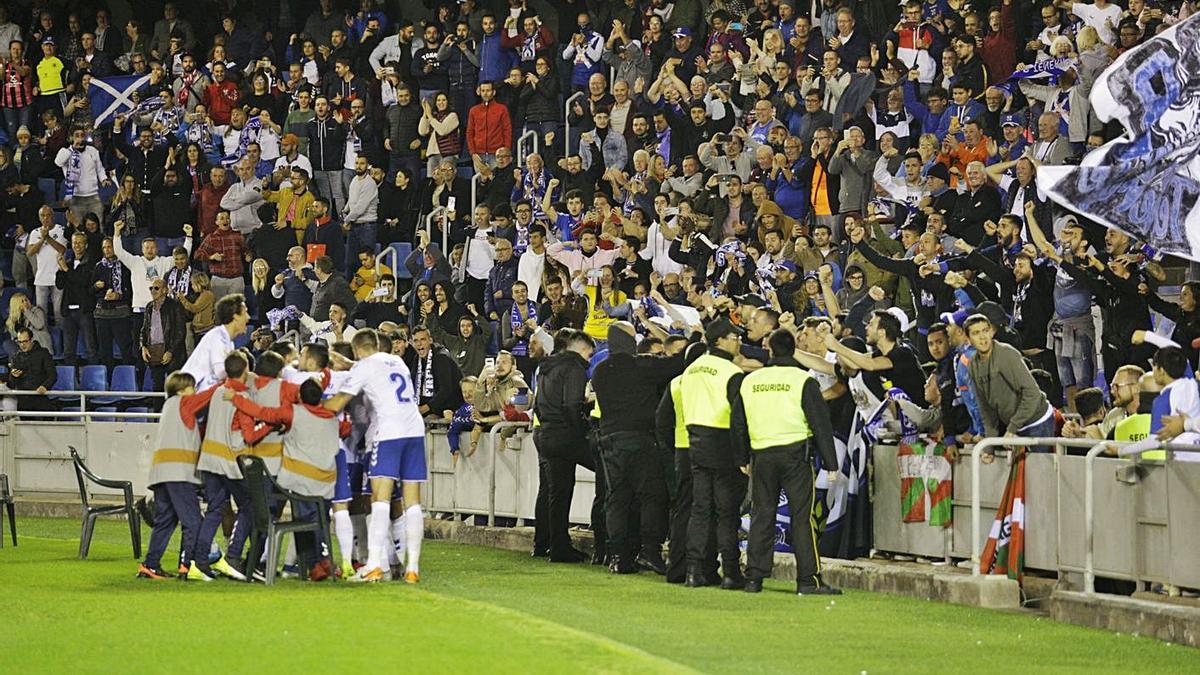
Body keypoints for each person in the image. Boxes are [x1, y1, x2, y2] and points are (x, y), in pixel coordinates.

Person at [732, 328, 842, 595]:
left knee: (761, 516)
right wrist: (831, 463)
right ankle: (808, 580)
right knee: (802, 519)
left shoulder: (751, 381)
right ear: (794, 350)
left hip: (761, 456)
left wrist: (741, 457)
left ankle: (754, 579)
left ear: (769, 349)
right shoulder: (802, 380)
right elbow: (820, 423)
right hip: (795, 456)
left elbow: (738, 422)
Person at [324, 329, 428, 584]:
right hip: (414, 430)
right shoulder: (396, 360)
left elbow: (338, 403)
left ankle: (374, 565)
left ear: (358, 349)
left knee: (379, 499)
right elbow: (370, 370)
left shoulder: (364, 367)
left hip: (388, 433)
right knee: (412, 502)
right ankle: (412, 567)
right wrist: (349, 364)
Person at [591, 322, 684, 574]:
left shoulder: (600, 371)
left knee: (617, 499)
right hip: (640, 440)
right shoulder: (641, 366)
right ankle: (649, 551)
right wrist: (694, 334)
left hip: (609, 441)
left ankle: (618, 556)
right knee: (652, 495)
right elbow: (678, 363)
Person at [676, 318, 746, 588]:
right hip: (723, 441)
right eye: (733, 337)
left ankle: (694, 570)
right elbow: (738, 419)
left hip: (695, 441)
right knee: (726, 512)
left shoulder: (691, 369)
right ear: (719, 340)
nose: (738, 341)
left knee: (700, 510)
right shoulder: (730, 372)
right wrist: (742, 457)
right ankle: (730, 572)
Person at [137, 371, 215, 581]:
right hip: (179, 472)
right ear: (181, 390)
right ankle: (186, 566)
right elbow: (208, 396)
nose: (194, 391)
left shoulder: (168, 406)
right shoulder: (184, 402)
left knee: (165, 520)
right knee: (193, 521)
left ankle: (149, 565)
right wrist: (228, 382)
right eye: (191, 387)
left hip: (161, 472)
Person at [532, 329, 597, 563]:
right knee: (609, 469)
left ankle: (553, 544)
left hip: (546, 433)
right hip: (564, 435)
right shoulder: (574, 367)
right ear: (581, 350)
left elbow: (537, 405)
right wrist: (583, 431)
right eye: (589, 356)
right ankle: (607, 541)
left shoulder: (545, 368)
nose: (589, 361)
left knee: (556, 493)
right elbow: (571, 405)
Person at [964, 314, 1055, 459]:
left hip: (1037, 421)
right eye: (976, 333)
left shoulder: (1006, 354)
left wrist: (1012, 427)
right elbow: (986, 410)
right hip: (1016, 427)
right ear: (968, 339)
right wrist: (989, 447)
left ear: (992, 331)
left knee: (1040, 477)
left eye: (985, 330)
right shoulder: (972, 366)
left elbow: (1032, 393)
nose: (982, 337)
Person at [181, 294, 250, 390]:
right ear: (235, 317)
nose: (248, 317)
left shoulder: (228, 341)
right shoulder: (217, 338)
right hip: (189, 398)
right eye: (245, 313)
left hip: (200, 396)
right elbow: (221, 373)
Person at [140, 280, 189, 395]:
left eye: (156, 288)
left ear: (165, 290)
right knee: (157, 388)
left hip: (172, 355)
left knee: (175, 389)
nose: (153, 291)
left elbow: (180, 331)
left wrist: (171, 351)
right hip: (154, 353)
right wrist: (143, 346)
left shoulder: (175, 306)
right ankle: (158, 412)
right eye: (151, 288)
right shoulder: (149, 307)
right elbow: (144, 329)